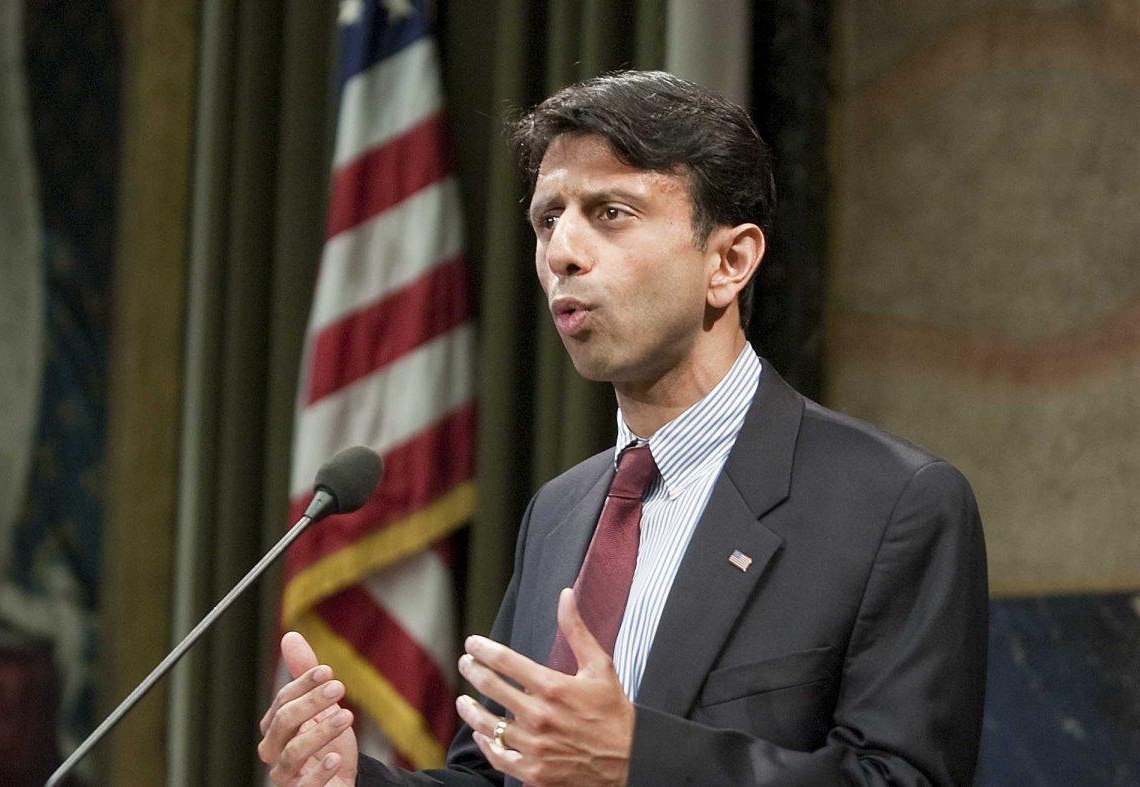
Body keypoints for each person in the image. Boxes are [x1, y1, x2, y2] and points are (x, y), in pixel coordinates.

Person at [257, 70, 988, 787]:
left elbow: (898, 776)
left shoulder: (894, 504)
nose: (561, 253)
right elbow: (497, 772)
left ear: (729, 262)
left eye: (610, 212)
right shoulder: (561, 511)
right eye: (548, 218)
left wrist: (641, 762)